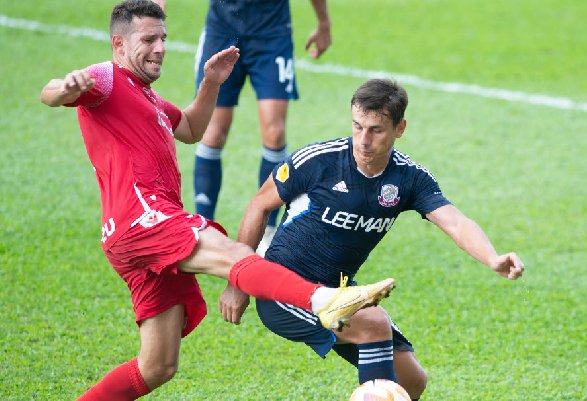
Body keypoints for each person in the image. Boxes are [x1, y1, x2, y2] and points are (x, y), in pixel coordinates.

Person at [39, 2, 393, 400]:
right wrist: (62, 89)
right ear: (118, 44)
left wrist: (211, 83)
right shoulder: (106, 78)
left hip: (131, 235)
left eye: (163, 39)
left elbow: (190, 128)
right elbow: (50, 93)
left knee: (158, 367)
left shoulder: (149, 99)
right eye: (148, 40)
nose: (159, 48)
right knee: (230, 253)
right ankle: (324, 299)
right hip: (143, 217)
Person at [220, 79, 526, 400]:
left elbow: (455, 222)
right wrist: (237, 282)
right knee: (374, 323)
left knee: (411, 381)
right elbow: (259, 205)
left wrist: (492, 258)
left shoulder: (409, 178)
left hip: (339, 292)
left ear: (399, 128)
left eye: (376, 130)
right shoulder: (319, 161)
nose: (363, 140)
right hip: (281, 288)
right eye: (357, 127)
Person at [179, 0, 332, 254]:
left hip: (272, 33)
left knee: (275, 131)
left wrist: (323, 23)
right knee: (213, 132)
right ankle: (203, 227)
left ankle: (267, 232)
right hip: (222, 30)